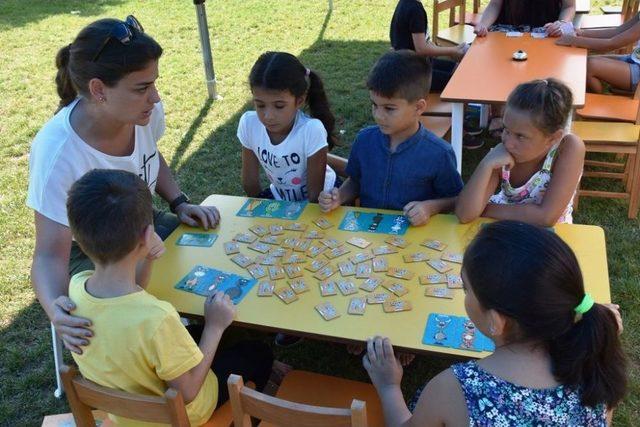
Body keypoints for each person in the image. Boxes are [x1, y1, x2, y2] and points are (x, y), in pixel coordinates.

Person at [27, 17, 221, 356]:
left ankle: (207, 335)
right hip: (92, 249)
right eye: (142, 88)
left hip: (142, 223)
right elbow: (48, 254)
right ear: (99, 90)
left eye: (154, 84)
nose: (155, 97)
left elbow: (151, 155)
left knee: (207, 259)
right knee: (119, 322)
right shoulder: (57, 153)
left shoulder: (144, 113)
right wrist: (59, 311)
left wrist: (178, 201)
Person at [364, 220, 627, 426]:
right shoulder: (597, 366)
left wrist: (388, 386)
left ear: (495, 322)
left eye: (466, 289)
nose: (465, 295)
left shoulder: (455, 388)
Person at [66, 169, 273, 426]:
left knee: (197, 334)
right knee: (258, 352)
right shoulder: (158, 318)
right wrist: (214, 327)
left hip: (124, 414)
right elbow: (187, 393)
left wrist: (148, 259)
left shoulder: (76, 287)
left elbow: (132, 291)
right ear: (146, 235)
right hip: (181, 414)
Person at [319, 50, 463, 227]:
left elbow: (455, 198)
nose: (378, 116)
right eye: (374, 105)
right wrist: (339, 196)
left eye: (389, 108)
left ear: (418, 107)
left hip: (412, 238)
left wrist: (430, 207)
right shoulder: (364, 140)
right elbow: (356, 181)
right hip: (366, 234)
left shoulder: (439, 153)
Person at [455, 79, 585, 226]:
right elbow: (465, 215)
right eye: (505, 130)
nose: (508, 142)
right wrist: (486, 164)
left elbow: (546, 217)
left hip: (550, 236)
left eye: (520, 136)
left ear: (553, 138)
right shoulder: (502, 157)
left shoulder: (568, 147)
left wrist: (483, 209)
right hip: (507, 226)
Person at [238, 51, 340, 203]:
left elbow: (314, 198)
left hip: (323, 199)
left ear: (299, 101)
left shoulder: (311, 130)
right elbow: (250, 184)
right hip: (282, 198)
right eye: (260, 105)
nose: (268, 116)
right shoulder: (249, 123)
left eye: (279, 106)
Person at [389, 0, 466, 93]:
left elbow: (419, 42)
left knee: (458, 68)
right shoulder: (415, 10)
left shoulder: (405, 3)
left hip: (413, 63)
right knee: (458, 81)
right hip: (412, 73)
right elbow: (421, 49)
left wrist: (435, 47)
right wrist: (453, 50)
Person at [556, 13, 640, 93]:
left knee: (590, 66)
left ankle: (599, 101)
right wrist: (582, 33)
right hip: (634, 59)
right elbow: (618, 31)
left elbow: (612, 44)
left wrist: (574, 40)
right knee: (584, 62)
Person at [474, 0, 576, 36]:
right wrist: (484, 24)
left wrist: (562, 23)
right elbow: (495, 4)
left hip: (546, 32)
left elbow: (569, 6)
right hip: (507, 32)